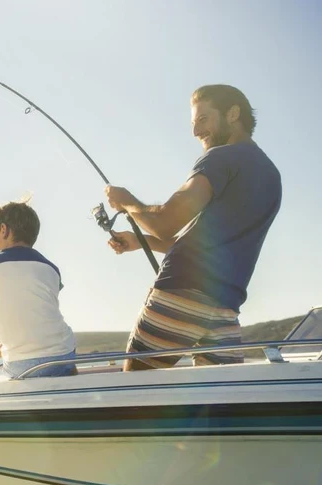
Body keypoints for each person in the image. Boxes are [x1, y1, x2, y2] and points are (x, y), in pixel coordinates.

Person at [105, 84, 282, 371]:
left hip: (182, 292)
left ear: (233, 113)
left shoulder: (221, 158)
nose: (195, 132)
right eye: (193, 123)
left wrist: (127, 202)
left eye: (203, 119)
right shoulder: (272, 176)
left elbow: (165, 223)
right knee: (215, 407)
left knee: (137, 394)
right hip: (225, 309)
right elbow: (211, 242)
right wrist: (140, 241)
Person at [0, 199, 77, 381]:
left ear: (4, 230)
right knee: (64, 359)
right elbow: (36, 323)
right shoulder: (51, 268)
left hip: (21, 365)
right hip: (64, 357)